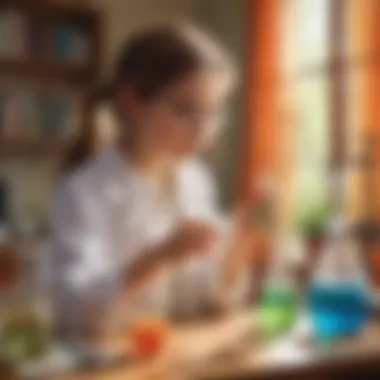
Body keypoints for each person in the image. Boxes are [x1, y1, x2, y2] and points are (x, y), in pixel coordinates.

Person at [51, 23, 256, 340]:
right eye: (186, 110)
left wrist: (241, 244)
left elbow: (206, 299)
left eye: (213, 111)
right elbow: (77, 315)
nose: (204, 129)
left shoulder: (195, 180)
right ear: (132, 101)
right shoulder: (82, 192)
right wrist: (158, 257)